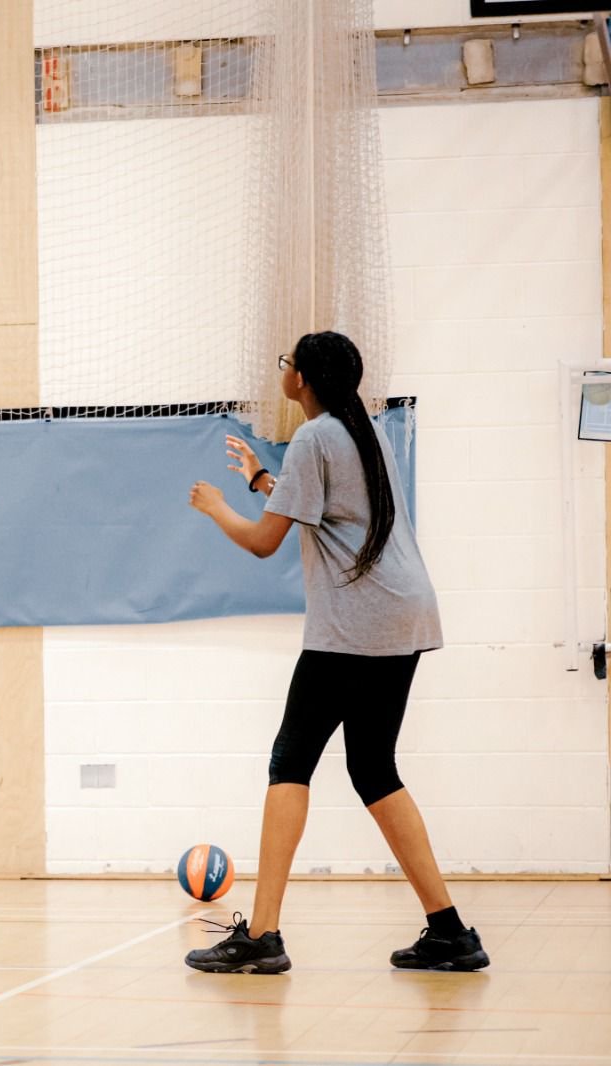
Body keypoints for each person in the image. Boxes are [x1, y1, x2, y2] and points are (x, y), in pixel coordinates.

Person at [185, 331, 488, 974]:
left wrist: (215, 507)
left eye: (286, 362)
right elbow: (325, 508)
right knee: (373, 768)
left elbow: (265, 542)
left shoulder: (314, 436)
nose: (283, 370)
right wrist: (261, 478)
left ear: (304, 380)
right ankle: (450, 931)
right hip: (403, 614)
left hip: (357, 623)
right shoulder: (360, 428)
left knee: (289, 760)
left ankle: (263, 935)